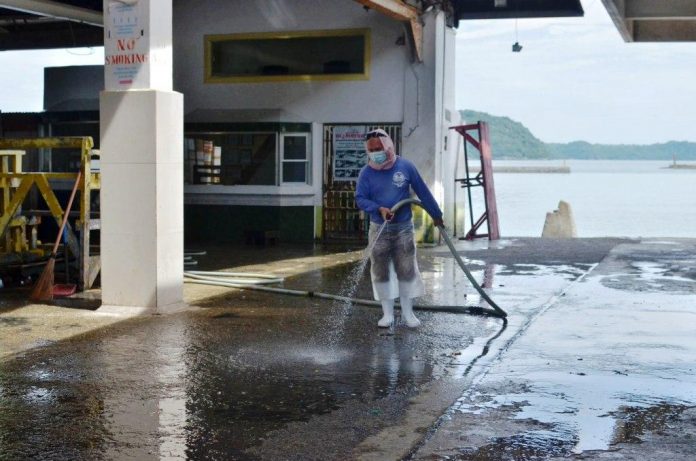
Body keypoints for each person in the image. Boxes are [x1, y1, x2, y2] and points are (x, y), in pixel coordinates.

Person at [355, 128, 444, 328]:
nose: (375, 152)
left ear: (388, 146)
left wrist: (436, 215)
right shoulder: (366, 173)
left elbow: (423, 191)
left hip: (403, 228)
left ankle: (408, 314)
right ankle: (387, 314)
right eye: (371, 150)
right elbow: (360, 199)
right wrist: (378, 209)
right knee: (381, 271)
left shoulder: (405, 166)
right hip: (379, 229)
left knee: (407, 270)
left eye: (378, 148)